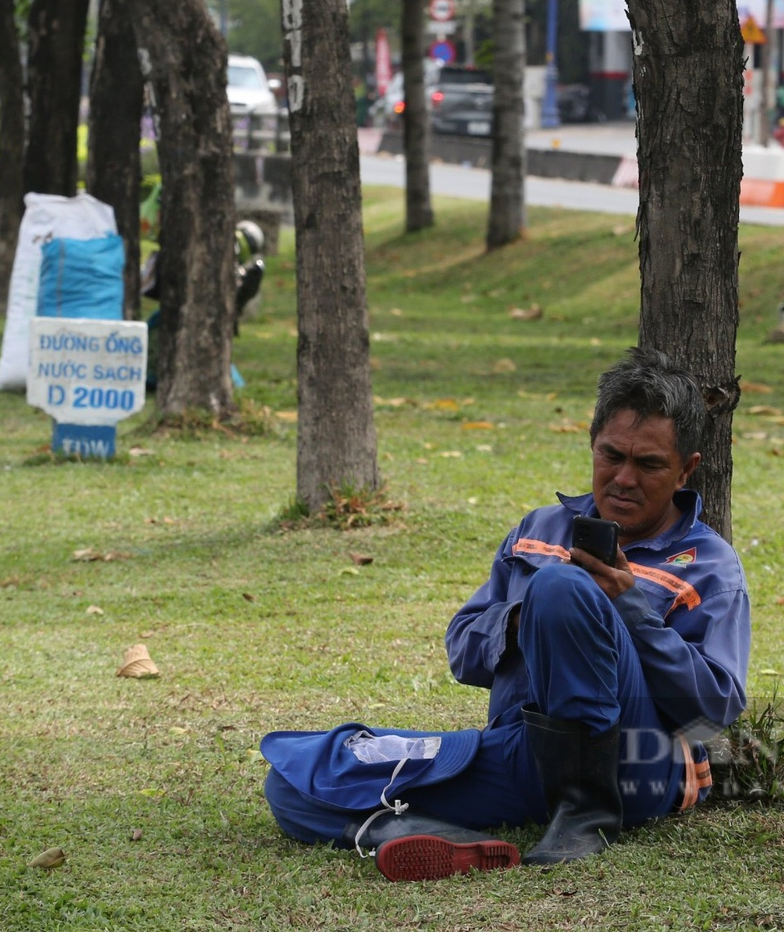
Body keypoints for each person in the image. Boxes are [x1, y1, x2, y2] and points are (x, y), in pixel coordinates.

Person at [262, 349, 750, 882]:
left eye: (649, 464)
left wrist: (627, 608)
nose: (624, 479)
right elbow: (463, 651)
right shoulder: (539, 530)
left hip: (635, 767)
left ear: (686, 469)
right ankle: (440, 837)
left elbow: (715, 708)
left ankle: (586, 814)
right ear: (592, 445)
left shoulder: (710, 566)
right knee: (297, 779)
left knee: (562, 585)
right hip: (524, 754)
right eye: (612, 455)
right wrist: (522, 621)